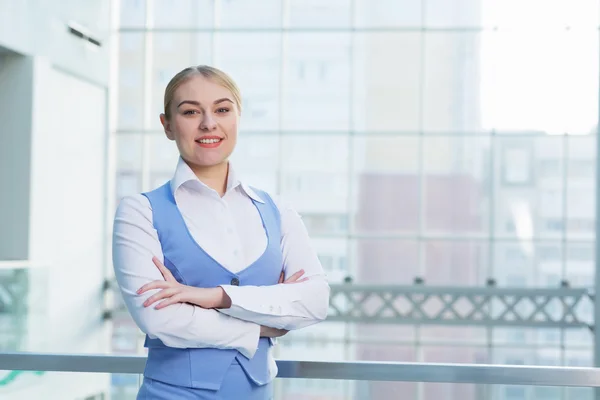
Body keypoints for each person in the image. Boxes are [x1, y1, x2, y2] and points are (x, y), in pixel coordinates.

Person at [112, 65, 330, 399]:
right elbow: (159, 319)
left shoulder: (278, 210)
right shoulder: (139, 211)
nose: (209, 123)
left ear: (237, 118)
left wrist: (217, 297)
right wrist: (261, 325)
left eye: (222, 109)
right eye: (190, 112)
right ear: (167, 125)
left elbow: (315, 300)